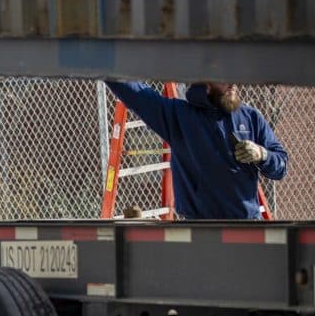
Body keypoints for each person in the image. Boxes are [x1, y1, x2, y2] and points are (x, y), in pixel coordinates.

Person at [105, 80, 288, 219]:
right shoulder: (180, 116)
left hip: (246, 225)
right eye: (224, 77)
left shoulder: (250, 117)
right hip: (199, 227)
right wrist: (103, 64)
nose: (233, 83)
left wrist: (262, 154)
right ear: (206, 82)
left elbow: (281, 165)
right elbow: (136, 94)